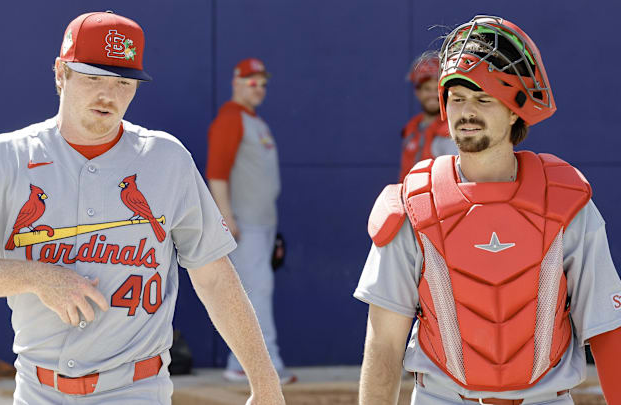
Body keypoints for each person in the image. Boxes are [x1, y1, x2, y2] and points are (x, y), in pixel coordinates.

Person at [0, 11, 285, 405]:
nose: (108, 95)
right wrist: (37, 277)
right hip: (39, 391)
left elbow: (214, 276)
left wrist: (264, 383)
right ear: (61, 73)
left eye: (123, 82)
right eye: (92, 78)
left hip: (135, 389)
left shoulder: (167, 159)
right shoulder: (5, 157)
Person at [355, 15, 621, 404]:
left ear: (516, 109)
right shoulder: (413, 204)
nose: (467, 112)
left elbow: (606, 328)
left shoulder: (567, 202)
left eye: (484, 98)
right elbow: (384, 343)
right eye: (457, 98)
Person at [206, 58, 295, 384]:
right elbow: (216, 173)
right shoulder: (231, 118)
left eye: (263, 82)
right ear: (236, 83)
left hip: (260, 225)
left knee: (256, 291)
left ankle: (243, 362)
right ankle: (258, 365)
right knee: (255, 292)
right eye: (251, 81)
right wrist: (227, 218)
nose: (259, 88)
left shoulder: (252, 120)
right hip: (245, 224)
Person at [399, 53, 457, 182]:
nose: (432, 94)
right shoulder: (412, 128)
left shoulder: (452, 131)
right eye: (427, 89)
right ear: (417, 93)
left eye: (436, 89)